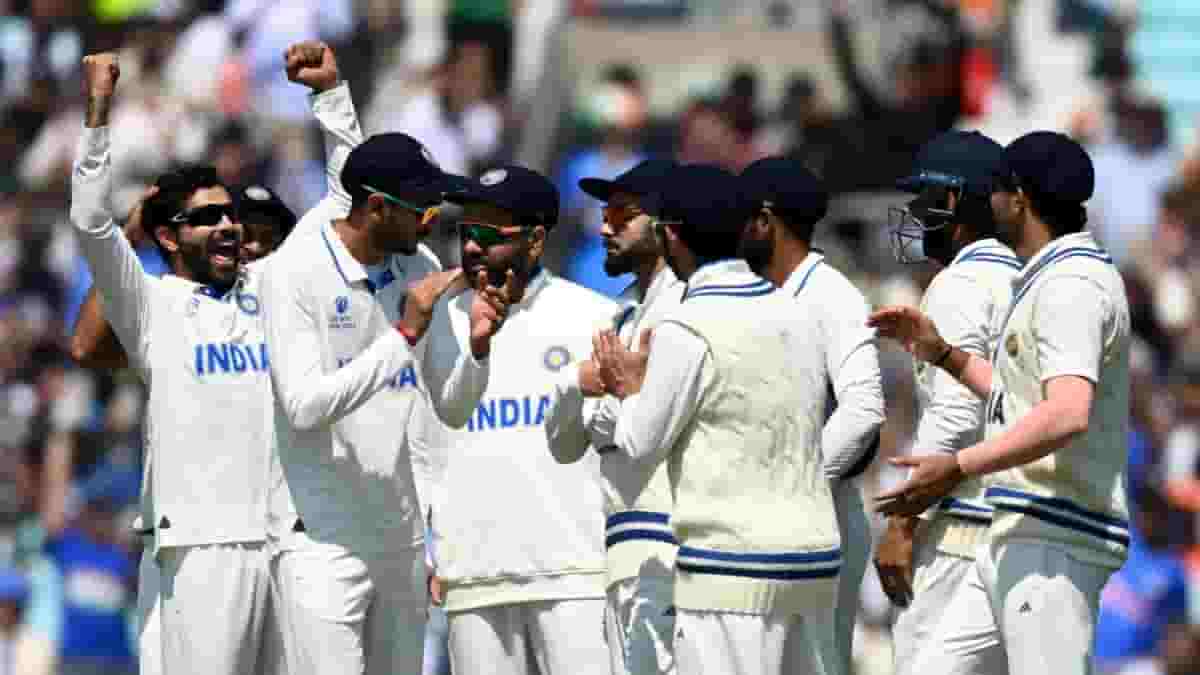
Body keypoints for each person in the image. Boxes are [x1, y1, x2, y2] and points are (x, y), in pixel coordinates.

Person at [68, 42, 366, 675]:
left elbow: (347, 206)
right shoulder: (154, 305)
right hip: (200, 543)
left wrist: (332, 95)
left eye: (230, 214)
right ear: (168, 236)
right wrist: (98, 109)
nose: (228, 226)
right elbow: (90, 222)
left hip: (289, 541)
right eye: (206, 219)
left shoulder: (276, 285)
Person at [259, 89, 514, 675]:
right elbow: (303, 405)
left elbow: (451, 406)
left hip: (398, 537)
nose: (432, 220)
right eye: (420, 207)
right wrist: (403, 335)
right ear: (375, 208)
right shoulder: (295, 272)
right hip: (320, 541)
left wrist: (478, 347)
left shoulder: (417, 266)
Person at [869, 131, 1131, 675]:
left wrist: (954, 470)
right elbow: (1020, 402)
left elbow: (1067, 412)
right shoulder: (1042, 279)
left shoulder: (1073, 284)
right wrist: (945, 355)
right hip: (1017, 527)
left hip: (1057, 534)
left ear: (1020, 198)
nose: (989, 204)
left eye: (998, 190)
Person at [594, 164, 841, 675]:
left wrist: (625, 391)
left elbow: (639, 445)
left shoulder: (688, 324)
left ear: (674, 236)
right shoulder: (797, 310)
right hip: (814, 560)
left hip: (729, 571)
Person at [410, 165, 614, 675]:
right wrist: (429, 550)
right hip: (472, 574)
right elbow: (422, 444)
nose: (473, 247)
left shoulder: (593, 317)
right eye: (465, 233)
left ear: (536, 240)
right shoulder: (437, 320)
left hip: (575, 573)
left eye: (488, 234)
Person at [871, 130, 1019, 675]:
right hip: (1014, 528)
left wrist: (903, 521)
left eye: (920, 202)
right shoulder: (1025, 278)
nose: (912, 216)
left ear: (952, 201)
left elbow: (957, 413)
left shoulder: (961, 284)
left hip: (961, 536)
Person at [737, 156, 885, 675]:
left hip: (821, 520)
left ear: (765, 221)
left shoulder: (832, 295)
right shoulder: (757, 294)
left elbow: (864, 409)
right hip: (764, 524)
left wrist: (796, 482)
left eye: (741, 214)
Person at [543, 158, 683, 675]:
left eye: (623, 215)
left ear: (665, 224)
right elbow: (564, 445)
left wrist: (620, 398)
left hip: (668, 551)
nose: (605, 226)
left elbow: (646, 432)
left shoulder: (685, 310)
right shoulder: (617, 314)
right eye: (606, 213)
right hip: (620, 549)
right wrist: (573, 384)